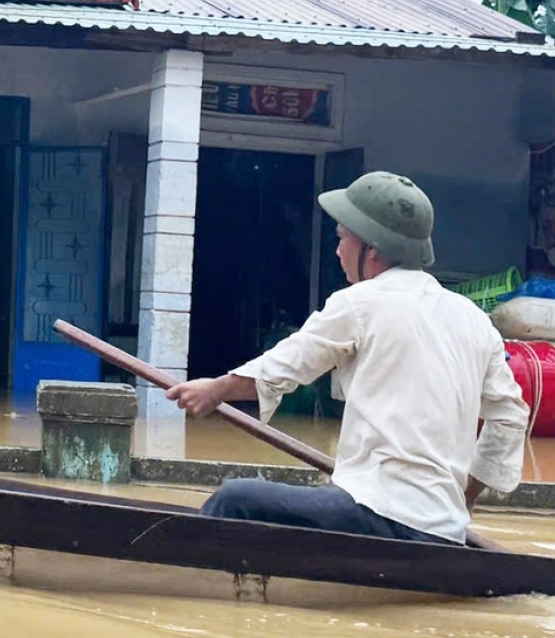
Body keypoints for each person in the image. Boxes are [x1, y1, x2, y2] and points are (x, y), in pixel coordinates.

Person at [165, 171, 529, 546]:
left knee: (235, 498)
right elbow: (511, 417)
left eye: (342, 239)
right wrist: (464, 502)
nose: (338, 252)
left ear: (372, 249)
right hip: (443, 530)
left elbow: (284, 366)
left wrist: (214, 390)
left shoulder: (360, 303)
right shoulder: (474, 319)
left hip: (377, 515)